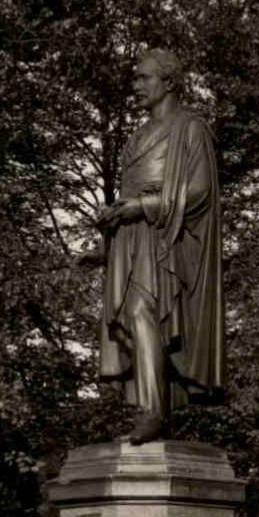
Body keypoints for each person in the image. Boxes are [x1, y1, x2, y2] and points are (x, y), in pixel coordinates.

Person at [86, 49, 224, 445]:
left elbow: (199, 192)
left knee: (140, 311)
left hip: (165, 238)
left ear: (169, 83)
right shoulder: (136, 137)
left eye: (144, 78)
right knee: (129, 322)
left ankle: (153, 413)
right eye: (135, 79)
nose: (136, 87)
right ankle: (151, 409)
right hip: (129, 241)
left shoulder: (190, 130)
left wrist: (144, 207)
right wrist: (106, 240)